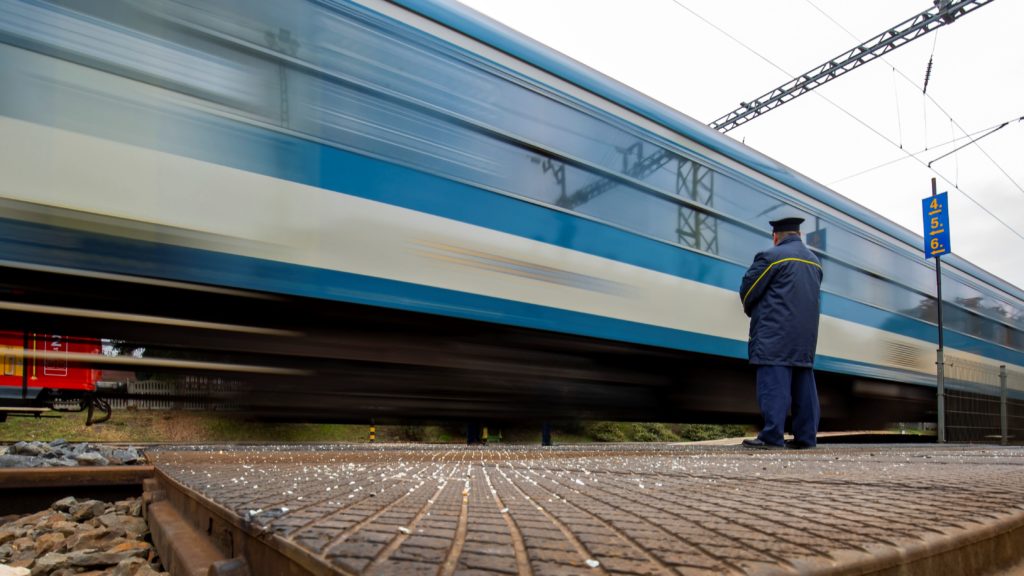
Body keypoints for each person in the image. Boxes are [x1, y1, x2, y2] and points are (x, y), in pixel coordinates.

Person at [738, 217, 823, 449]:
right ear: (799, 235)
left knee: (774, 383)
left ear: (776, 237)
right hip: (805, 336)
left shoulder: (771, 257)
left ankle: (772, 436)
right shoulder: (815, 262)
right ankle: (806, 438)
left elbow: (748, 290)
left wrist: (752, 310)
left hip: (775, 333)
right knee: (803, 383)